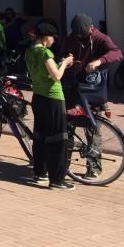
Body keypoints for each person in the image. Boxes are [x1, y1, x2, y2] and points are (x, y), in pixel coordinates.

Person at [25, 22, 74, 190]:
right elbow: (57, 76)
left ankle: (40, 172)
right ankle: (57, 179)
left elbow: (43, 72)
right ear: (46, 38)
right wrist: (66, 62)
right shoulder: (45, 52)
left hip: (38, 97)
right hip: (53, 98)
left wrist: (58, 63)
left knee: (40, 136)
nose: (54, 40)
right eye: (53, 37)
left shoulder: (30, 51)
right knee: (58, 138)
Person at [62, 14, 122, 108]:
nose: (80, 37)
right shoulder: (71, 37)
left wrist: (99, 61)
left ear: (91, 27)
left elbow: (117, 52)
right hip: (73, 82)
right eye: (78, 35)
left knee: (91, 116)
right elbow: (63, 52)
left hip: (91, 84)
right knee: (69, 112)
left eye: (84, 34)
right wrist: (65, 58)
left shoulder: (101, 38)